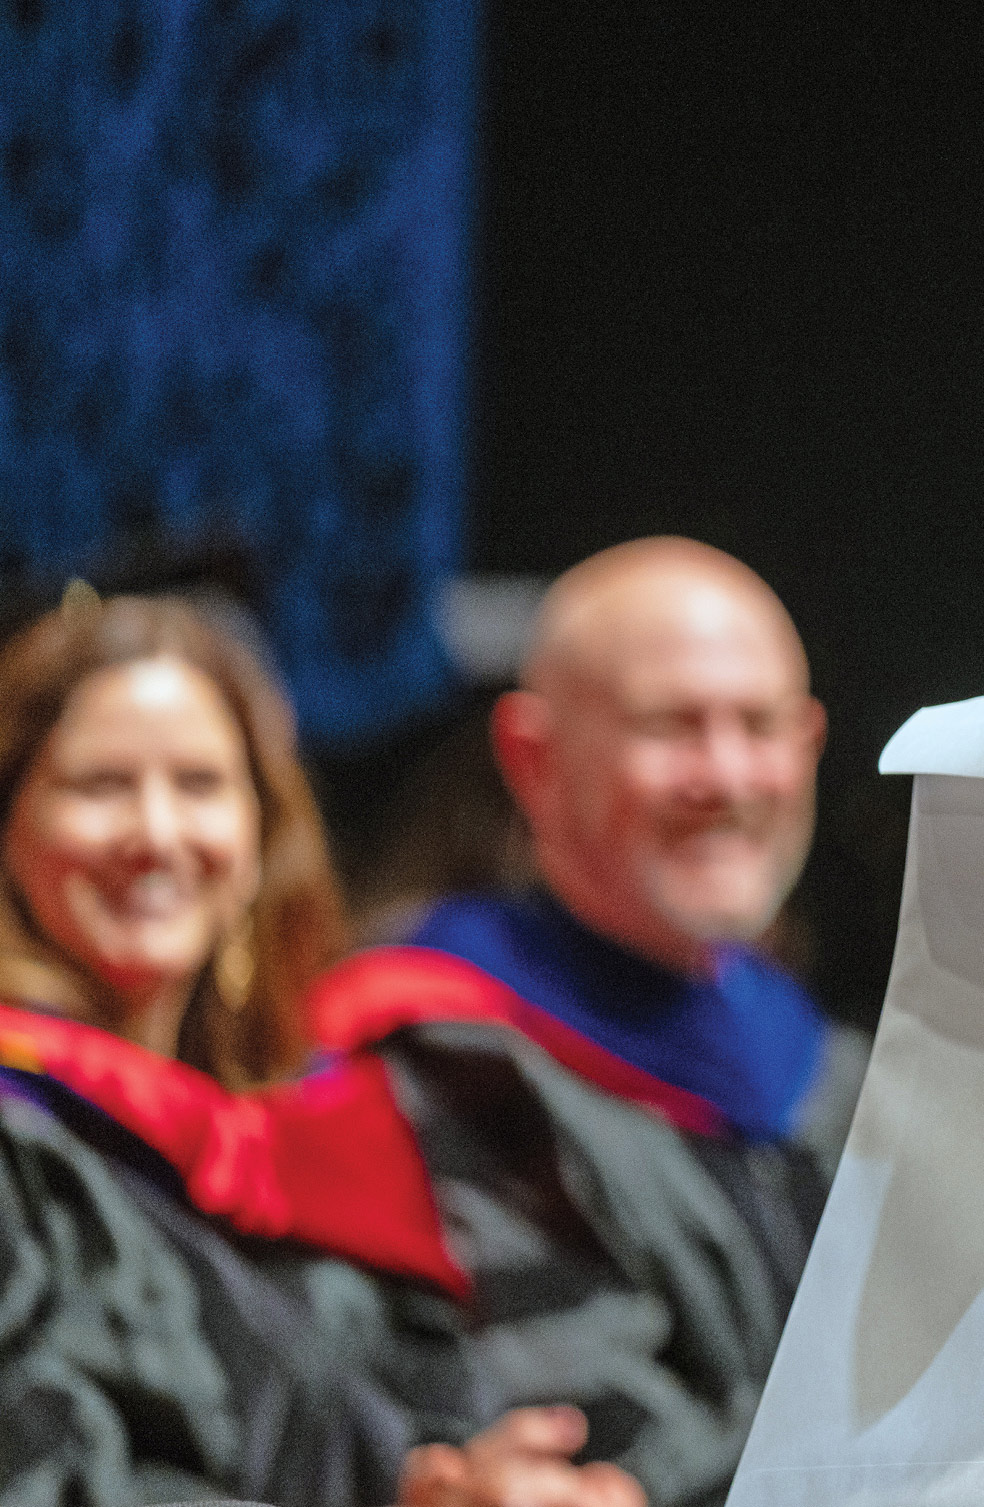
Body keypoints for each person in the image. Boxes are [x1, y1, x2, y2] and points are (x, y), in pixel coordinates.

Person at [0, 591, 640, 1507]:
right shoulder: (18, 1143)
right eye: (99, 785)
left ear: (262, 834)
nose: (157, 832)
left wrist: (482, 1479)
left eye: (200, 784)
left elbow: (416, 1422)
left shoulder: (321, 1129)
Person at [308, 538, 865, 1507]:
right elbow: (604, 1449)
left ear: (810, 744)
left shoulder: (833, 1062)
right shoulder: (441, 1058)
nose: (728, 776)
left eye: (761, 725)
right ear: (535, 758)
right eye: (672, 726)